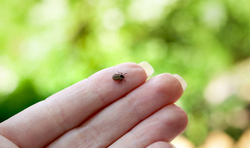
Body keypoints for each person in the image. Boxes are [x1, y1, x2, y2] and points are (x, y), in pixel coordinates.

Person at [0, 62, 188, 148]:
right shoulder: (119, 78)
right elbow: (117, 77)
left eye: (121, 76)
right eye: (121, 76)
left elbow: (117, 77)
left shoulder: (119, 77)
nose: (121, 77)